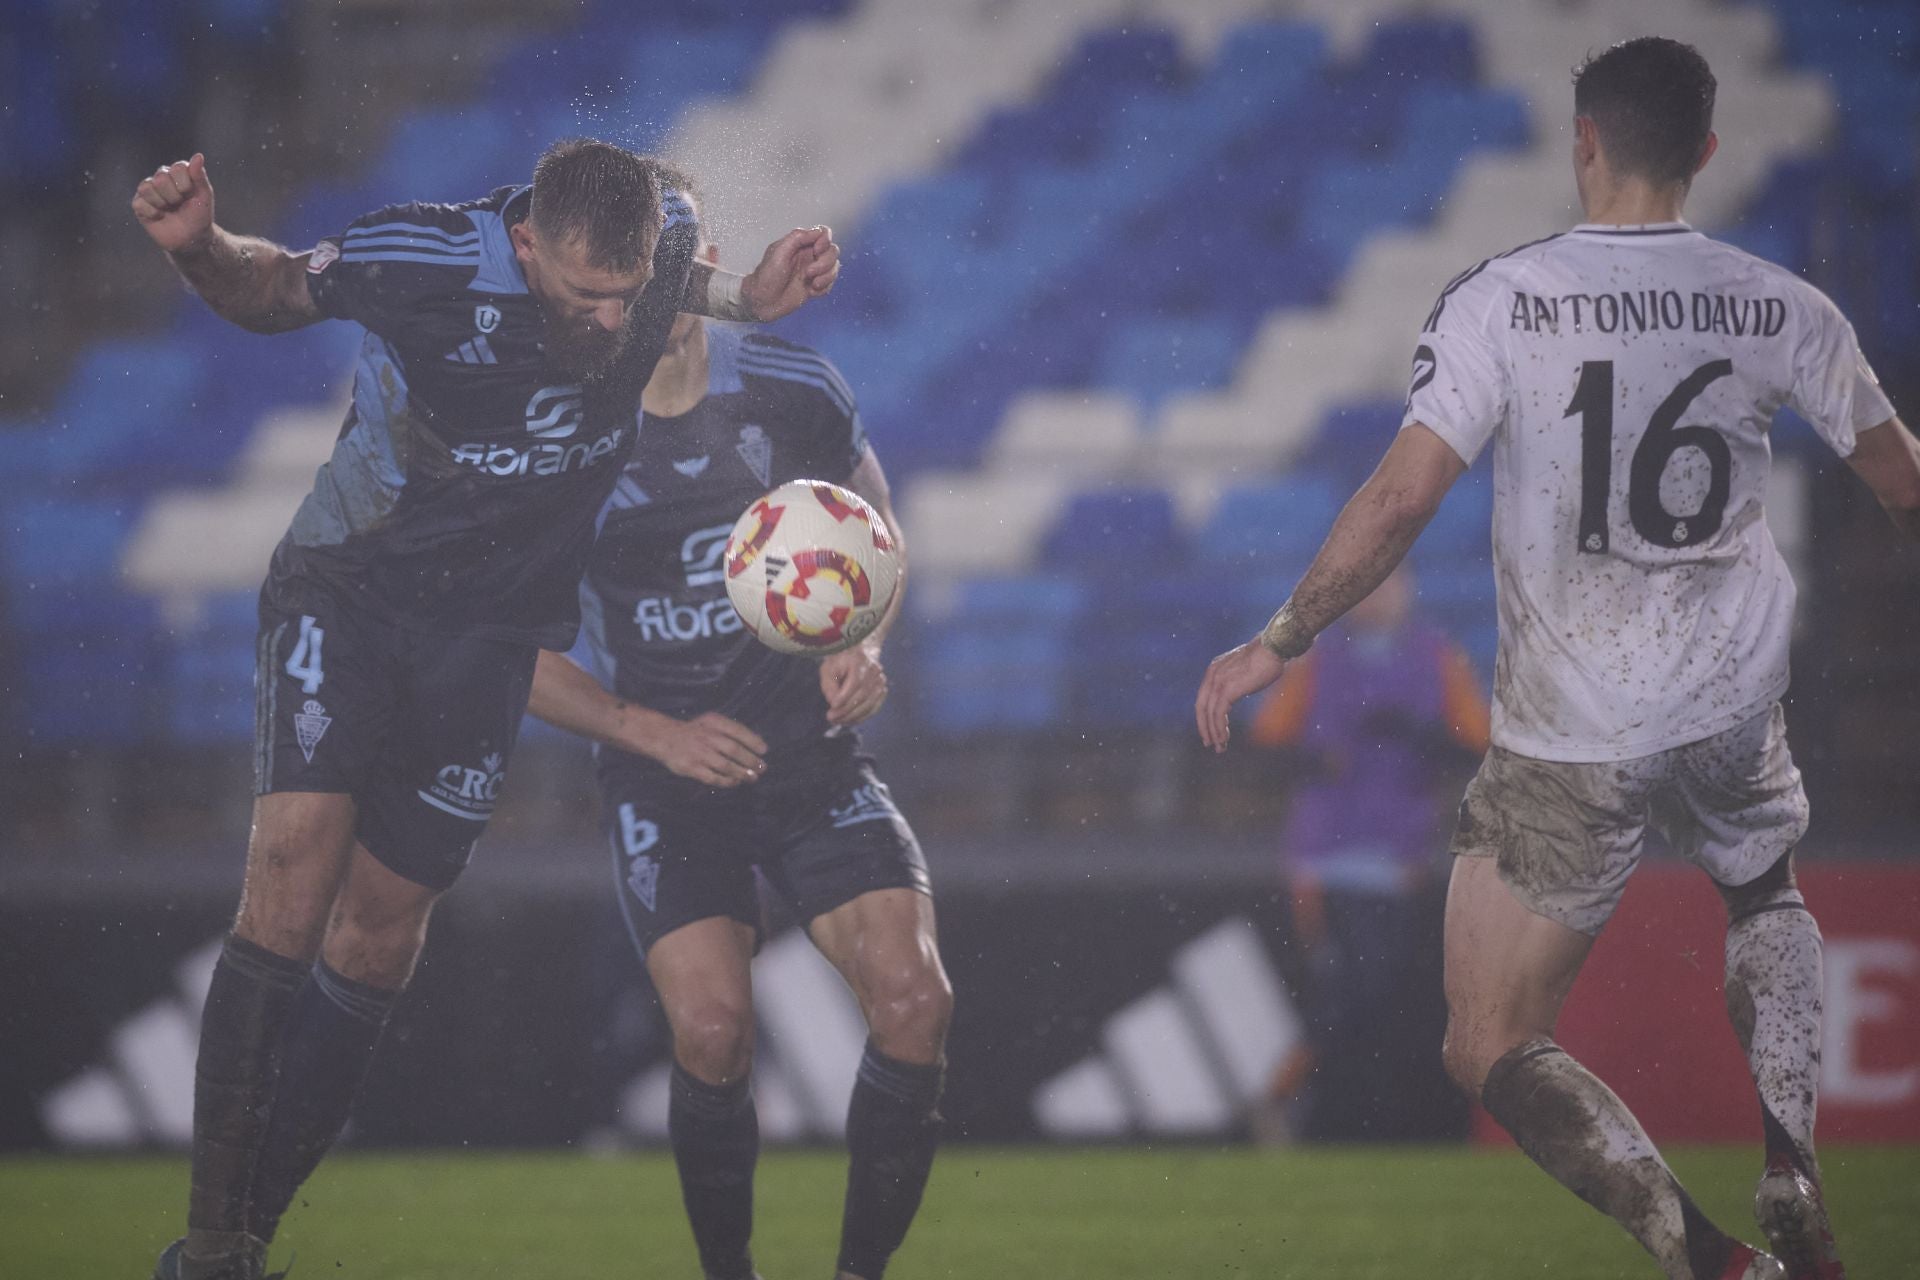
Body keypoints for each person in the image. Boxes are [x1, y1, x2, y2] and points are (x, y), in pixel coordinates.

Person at [1195, 37, 1920, 1280]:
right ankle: (1791, 1150)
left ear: (1582, 141)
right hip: (1733, 693)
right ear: (1704, 148)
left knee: (1486, 1040)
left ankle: (1710, 1258)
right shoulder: (1781, 303)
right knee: (1764, 887)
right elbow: (1901, 481)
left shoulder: (1508, 297)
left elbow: (1398, 502)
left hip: (1573, 727)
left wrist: (1282, 637)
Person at [130, 139, 840, 1280]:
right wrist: (202, 246)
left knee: (379, 935)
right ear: (522, 246)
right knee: (293, 871)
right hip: (352, 591)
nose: (612, 326)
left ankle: (244, 1233)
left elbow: (682, 285)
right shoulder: (423, 253)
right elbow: (272, 288)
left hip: (492, 639)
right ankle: (212, 1242)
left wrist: (744, 296)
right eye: (583, 296)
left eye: (627, 297)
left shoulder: (647, 254)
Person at [526, 173, 948, 1280]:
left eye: (683, 258)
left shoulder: (793, 388)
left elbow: (878, 530)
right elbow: (505, 652)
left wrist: (865, 639)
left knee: (914, 1000)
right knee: (713, 1032)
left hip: (808, 757)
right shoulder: (563, 438)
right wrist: (654, 734)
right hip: (668, 776)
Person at [1246, 565, 1487, 1141]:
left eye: (1388, 586)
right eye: (1368, 588)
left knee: (1370, 987)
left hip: (1397, 853)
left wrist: (1428, 742)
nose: (1377, 598)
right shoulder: (1319, 660)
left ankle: (1316, 1106)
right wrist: (1321, 756)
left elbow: (1478, 739)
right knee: (1350, 983)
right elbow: (1268, 739)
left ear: (1407, 590)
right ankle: (1295, 1098)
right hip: (1326, 854)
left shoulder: (1436, 657)